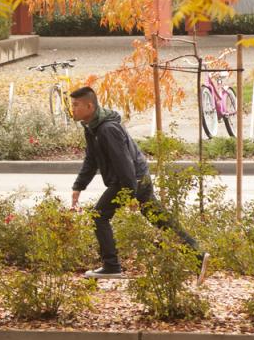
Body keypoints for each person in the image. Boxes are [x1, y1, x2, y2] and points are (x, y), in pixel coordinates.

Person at [68, 86, 209, 279]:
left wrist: (130, 193)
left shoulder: (107, 129)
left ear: (89, 106)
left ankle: (111, 266)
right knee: (158, 217)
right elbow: (91, 161)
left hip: (131, 180)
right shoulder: (92, 128)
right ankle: (198, 256)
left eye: (76, 105)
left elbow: (124, 163)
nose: (72, 109)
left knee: (99, 216)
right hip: (135, 179)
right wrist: (78, 186)